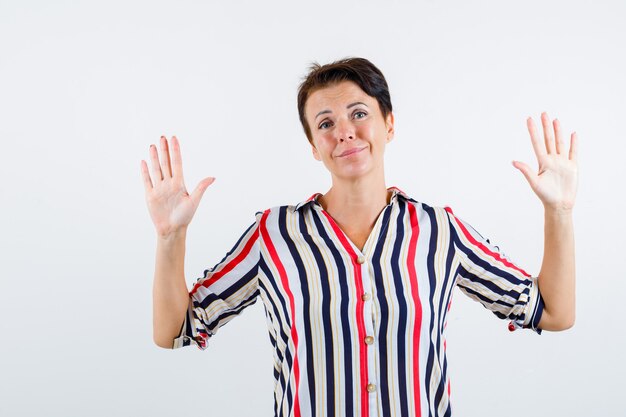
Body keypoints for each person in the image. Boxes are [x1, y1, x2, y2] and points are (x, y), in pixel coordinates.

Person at [140, 57, 577, 417]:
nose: (344, 131)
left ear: (389, 125)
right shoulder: (273, 236)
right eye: (325, 123)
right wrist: (170, 236)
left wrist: (558, 211)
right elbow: (176, 329)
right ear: (314, 145)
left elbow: (552, 312)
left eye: (359, 113)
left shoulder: (440, 231)